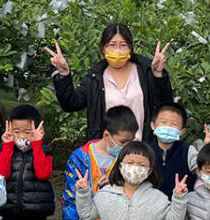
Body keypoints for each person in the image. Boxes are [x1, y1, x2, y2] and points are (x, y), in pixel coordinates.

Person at [45, 22, 173, 142]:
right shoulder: (95, 77)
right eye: (112, 45)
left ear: (130, 48)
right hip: (106, 152)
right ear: (103, 48)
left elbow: (165, 106)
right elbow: (71, 104)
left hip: (140, 151)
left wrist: (157, 74)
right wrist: (64, 73)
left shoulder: (144, 72)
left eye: (123, 45)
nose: (117, 50)